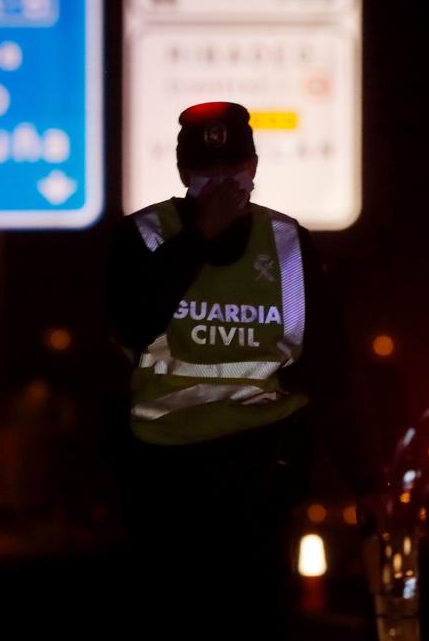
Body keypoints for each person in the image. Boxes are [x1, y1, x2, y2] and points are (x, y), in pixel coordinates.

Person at [106, 102, 386, 639]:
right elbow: (133, 322)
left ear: (254, 167)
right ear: (185, 175)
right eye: (209, 174)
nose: (224, 185)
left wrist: (367, 480)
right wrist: (198, 240)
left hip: (265, 478)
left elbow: (332, 369)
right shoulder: (143, 238)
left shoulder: (288, 245)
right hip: (167, 485)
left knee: (257, 619)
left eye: (235, 169)